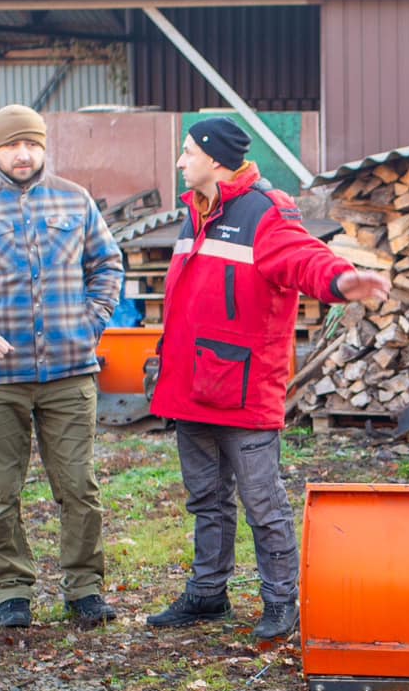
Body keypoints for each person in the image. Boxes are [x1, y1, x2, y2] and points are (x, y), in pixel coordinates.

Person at [146, 118, 391, 644]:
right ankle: (208, 592)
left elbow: (303, 256)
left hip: (242, 388)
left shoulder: (264, 210)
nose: (180, 161)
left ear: (214, 159)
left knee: (263, 502)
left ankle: (281, 601)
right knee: (206, 498)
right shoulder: (196, 211)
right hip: (192, 386)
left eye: (186, 152)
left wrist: (341, 280)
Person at [0, 104, 130, 630]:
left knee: (79, 486)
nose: (22, 154)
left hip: (69, 373)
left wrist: (91, 322)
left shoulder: (74, 199)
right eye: (11, 145)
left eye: (31, 144)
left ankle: (84, 587)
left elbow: (107, 263)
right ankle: (12, 590)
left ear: (44, 146)